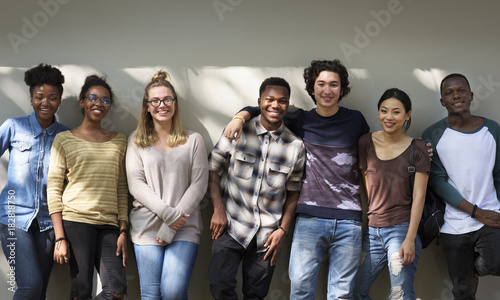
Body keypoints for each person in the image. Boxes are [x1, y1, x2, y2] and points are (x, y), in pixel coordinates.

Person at [224, 60, 369, 299]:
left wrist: (417, 149)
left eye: (334, 85)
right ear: (312, 89)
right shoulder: (300, 120)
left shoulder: (355, 121)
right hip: (309, 219)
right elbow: (267, 109)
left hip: (348, 220)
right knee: (300, 289)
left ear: (342, 90)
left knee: (342, 294)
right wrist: (240, 117)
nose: (327, 90)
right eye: (320, 84)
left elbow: (377, 152)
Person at [208, 77, 306, 299]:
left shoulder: (295, 146)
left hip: (267, 236)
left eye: (282, 101)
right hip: (231, 226)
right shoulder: (237, 132)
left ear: (288, 105)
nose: (275, 105)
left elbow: (294, 192)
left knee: (256, 296)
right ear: (259, 101)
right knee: (220, 286)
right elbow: (212, 169)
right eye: (269, 99)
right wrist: (217, 208)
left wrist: (283, 230)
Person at [126, 70, 209, 299]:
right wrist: (167, 215)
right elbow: (136, 184)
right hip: (145, 227)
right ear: (147, 106)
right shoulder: (136, 141)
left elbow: (199, 184)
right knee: (151, 295)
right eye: (155, 100)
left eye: (167, 99)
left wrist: (172, 225)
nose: (162, 105)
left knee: (173, 292)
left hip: (184, 228)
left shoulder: (193, 140)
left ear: (175, 103)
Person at [47, 75, 128, 300]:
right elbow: (53, 190)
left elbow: (122, 187)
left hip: (110, 226)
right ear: (82, 102)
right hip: (75, 222)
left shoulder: (119, 140)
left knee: (117, 291)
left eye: (105, 100)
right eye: (92, 98)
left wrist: (123, 229)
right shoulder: (64, 139)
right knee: (81, 291)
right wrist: (60, 238)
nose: (98, 103)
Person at [422, 73, 500, 299]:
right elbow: (436, 180)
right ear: (442, 101)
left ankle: (471, 270)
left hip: (492, 214)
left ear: (471, 95)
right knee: (462, 290)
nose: (456, 95)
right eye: (449, 92)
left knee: (496, 264)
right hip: (454, 223)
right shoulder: (433, 134)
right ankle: (465, 276)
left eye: (461, 90)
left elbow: (499, 174)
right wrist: (476, 212)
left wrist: (491, 211)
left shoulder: (493, 130)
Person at [0, 63, 68, 299]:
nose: (45, 103)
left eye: (52, 97)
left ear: (59, 99)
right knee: (30, 286)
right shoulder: (13, 127)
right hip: (13, 220)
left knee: (39, 292)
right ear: (31, 98)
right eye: (39, 97)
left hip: (48, 224)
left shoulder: (66, 136)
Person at [353, 88, 429, 299]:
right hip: (372, 231)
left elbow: (419, 197)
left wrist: (410, 239)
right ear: (377, 113)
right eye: (384, 111)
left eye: (396, 112)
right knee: (353, 292)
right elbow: (367, 184)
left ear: (407, 115)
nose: (389, 117)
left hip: (402, 230)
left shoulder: (418, 148)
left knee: (399, 294)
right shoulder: (365, 143)